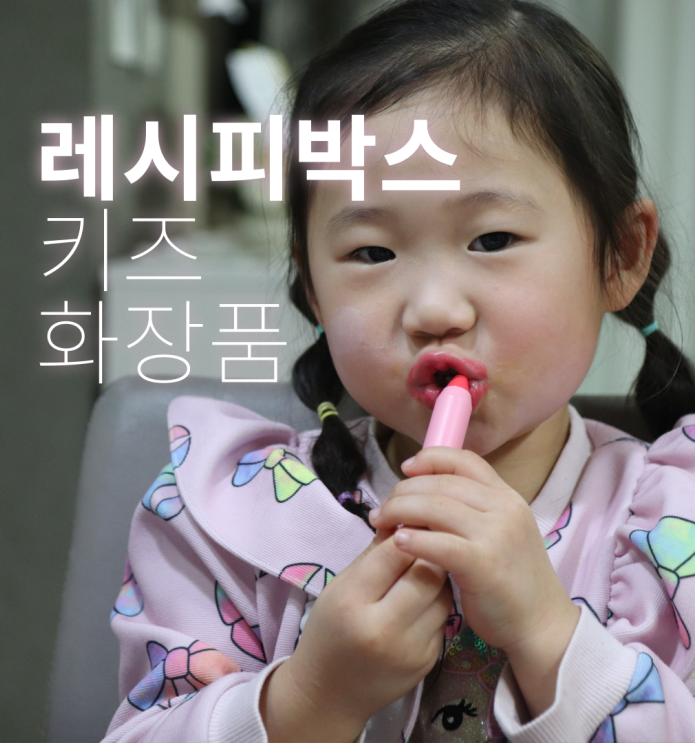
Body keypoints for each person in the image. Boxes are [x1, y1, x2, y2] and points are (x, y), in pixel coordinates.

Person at [104, 1, 695, 741]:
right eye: (372, 252)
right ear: (312, 287)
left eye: (492, 238)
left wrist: (549, 636)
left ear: (621, 256)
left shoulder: (675, 521)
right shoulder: (220, 514)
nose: (434, 308)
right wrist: (312, 697)